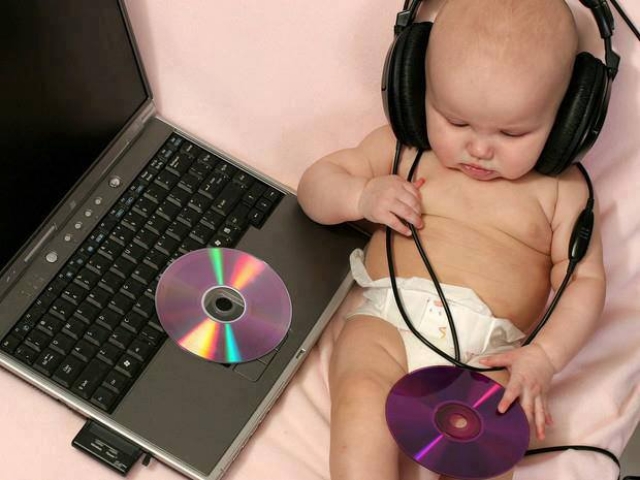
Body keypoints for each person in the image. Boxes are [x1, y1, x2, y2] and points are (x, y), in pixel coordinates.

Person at [297, 0, 607, 479]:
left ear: (568, 120)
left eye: (513, 133)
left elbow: (583, 280)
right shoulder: (405, 150)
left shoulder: (563, 191)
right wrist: (361, 195)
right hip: (388, 324)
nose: (479, 148)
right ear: (416, 89)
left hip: (492, 355)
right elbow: (315, 187)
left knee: (491, 444)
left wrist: (544, 356)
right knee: (361, 398)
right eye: (456, 122)